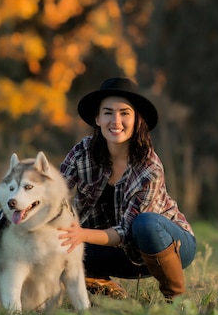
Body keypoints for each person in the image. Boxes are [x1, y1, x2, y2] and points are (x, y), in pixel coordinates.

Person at [58, 77, 197, 301]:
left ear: (137, 119)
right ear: (97, 118)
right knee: (58, 242)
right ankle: (103, 286)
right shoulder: (81, 152)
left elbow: (126, 232)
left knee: (145, 224)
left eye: (124, 113)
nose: (116, 121)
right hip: (115, 253)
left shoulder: (149, 166)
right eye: (108, 112)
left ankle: (176, 297)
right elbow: (54, 192)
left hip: (168, 246)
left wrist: (82, 234)